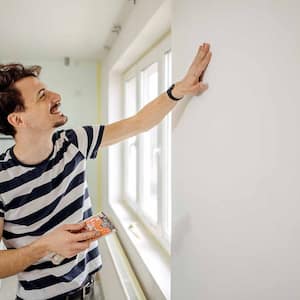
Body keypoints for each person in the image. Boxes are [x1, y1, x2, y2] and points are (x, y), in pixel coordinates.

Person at [0, 43, 212, 299]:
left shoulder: (74, 143)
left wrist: (178, 89)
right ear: (18, 120)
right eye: (42, 95)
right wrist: (45, 246)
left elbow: (139, 122)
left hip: (87, 289)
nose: (56, 96)